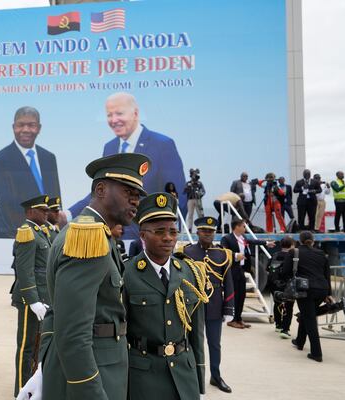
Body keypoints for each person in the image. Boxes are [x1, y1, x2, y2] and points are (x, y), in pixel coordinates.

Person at [19, 153, 150, 400]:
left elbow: (57, 315)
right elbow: (72, 333)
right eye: (127, 192)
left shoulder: (98, 234)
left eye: (137, 196)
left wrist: (46, 363)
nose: (135, 201)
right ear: (101, 190)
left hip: (98, 364)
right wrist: (88, 390)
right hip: (94, 373)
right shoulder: (88, 237)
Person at [67, 92, 186, 240]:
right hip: (113, 238)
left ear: (135, 113)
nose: (114, 120)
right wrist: (68, 214)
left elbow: (179, 195)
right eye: (109, 115)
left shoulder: (162, 144)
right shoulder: (109, 147)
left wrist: (168, 235)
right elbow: (101, 192)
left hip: (147, 240)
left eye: (119, 113)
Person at [124, 193, 207, 399]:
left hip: (184, 374)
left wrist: (199, 379)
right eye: (159, 231)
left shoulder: (190, 272)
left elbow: (196, 333)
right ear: (142, 235)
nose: (168, 237)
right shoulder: (127, 274)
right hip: (143, 377)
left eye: (172, 231)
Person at [0, 107, 61, 238]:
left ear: (39, 128)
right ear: (13, 127)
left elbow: (56, 197)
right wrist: (35, 229)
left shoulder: (49, 157)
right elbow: (7, 202)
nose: (26, 130)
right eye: (20, 125)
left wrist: (55, 227)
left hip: (48, 234)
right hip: (15, 234)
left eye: (31, 125)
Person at [183, 216, 234, 393]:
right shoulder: (187, 252)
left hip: (214, 306)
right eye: (204, 231)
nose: (208, 234)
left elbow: (228, 282)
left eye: (211, 231)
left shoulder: (222, 254)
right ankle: (192, 377)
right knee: (191, 343)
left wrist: (229, 307)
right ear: (197, 232)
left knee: (214, 344)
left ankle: (216, 376)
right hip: (193, 305)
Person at [11, 195, 52, 397]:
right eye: (41, 209)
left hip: (41, 298)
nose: (46, 212)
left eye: (46, 209)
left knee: (36, 347)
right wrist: (33, 300)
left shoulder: (41, 232)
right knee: (27, 348)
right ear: (29, 212)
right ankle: (20, 390)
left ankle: (31, 389)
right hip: (30, 301)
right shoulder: (27, 233)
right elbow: (25, 270)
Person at [281, 231, 332, 362]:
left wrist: (291, 284)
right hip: (322, 289)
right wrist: (328, 294)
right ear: (313, 240)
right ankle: (299, 341)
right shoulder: (321, 254)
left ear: (300, 240)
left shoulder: (294, 252)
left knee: (309, 318)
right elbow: (327, 275)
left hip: (305, 290)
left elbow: (285, 271)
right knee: (306, 314)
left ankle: (317, 353)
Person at [220, 218, 275, 329]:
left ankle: (239, 318)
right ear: (237, 227)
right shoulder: (227, 238)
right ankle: (233, 320)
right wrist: (235, 255)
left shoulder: (242, 238)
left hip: (242, 269)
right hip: (232, 270)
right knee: (234, 295)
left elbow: (252, 241)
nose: (245, 228)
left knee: (242, 295)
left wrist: (266, 243)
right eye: (243, 226)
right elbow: (223, 252)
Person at [268, 236, 295, 339]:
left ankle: (278, 325)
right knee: (289, 306)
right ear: (291, 245)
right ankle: (285, 329)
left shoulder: (275, 255)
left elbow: (267, 268)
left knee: (277, 303)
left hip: (274, 284)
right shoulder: (292, 256)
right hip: (287, 284)